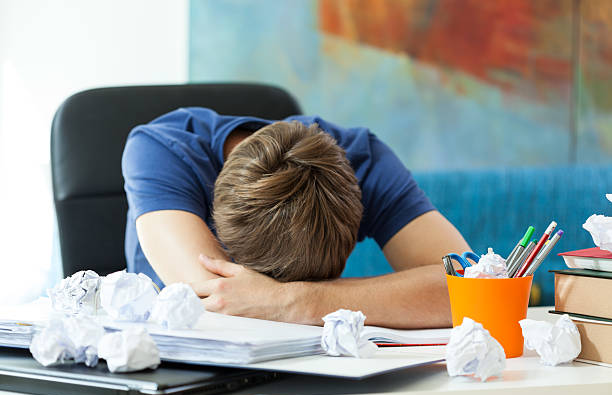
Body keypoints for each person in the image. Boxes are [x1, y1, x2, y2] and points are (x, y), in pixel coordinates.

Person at [121, 108, 471, 329]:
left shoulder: (364, 163)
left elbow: (474, 290)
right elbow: (216, 299)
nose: (270, 293)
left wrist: (298, 301)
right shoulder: (160, 150)